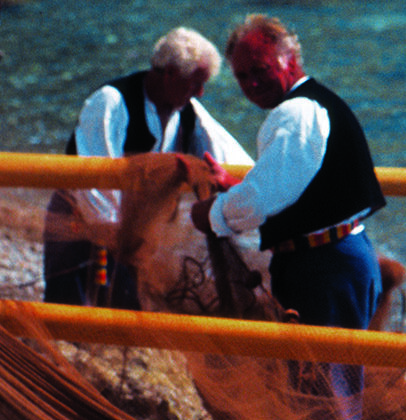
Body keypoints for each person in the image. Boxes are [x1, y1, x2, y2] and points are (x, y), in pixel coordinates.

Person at [189, 14, 385, 420]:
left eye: (261, 69)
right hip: (333, 259)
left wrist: (211, 213)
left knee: (326, 400)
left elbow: (262, 201)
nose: (253, 83)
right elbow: (289, 184)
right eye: (242, 76)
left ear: (290, 59)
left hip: (326, 267)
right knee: (320, 393)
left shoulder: (296, 113)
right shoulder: (308, 108)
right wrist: (241, 187)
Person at [43, 27, 253, 309]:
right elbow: (94, 176)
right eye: (194, 83)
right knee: (67, 302)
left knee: (127, 308)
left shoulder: (190, 113)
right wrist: (117, 236)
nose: (200, 93)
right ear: (169, 74)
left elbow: (226, 156)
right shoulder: (111, 101)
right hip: (77, 217)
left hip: (132, 232)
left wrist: (254, 198)